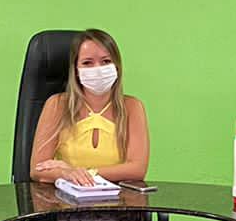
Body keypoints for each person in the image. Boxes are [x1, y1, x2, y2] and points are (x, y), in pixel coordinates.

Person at [30, 29, 150, 186]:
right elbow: (38, 169)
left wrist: (76, 172)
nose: (98, 69)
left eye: (106, 61)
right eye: (87, 63)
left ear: (117, 67)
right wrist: (67, 174)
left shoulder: (132, 107)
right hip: (65, 198)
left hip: (118, 198)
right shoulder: (57, 105)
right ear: (76, 70)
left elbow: (137, 170)